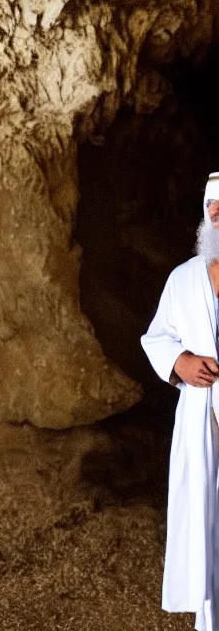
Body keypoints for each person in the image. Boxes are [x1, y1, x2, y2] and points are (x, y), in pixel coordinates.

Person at [142, 171, 219, 631]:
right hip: (198, 425)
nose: (217, 216)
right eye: (213, 208)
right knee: (206, 526)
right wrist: (182, 362)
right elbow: (157, 337)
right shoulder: (183, 279)